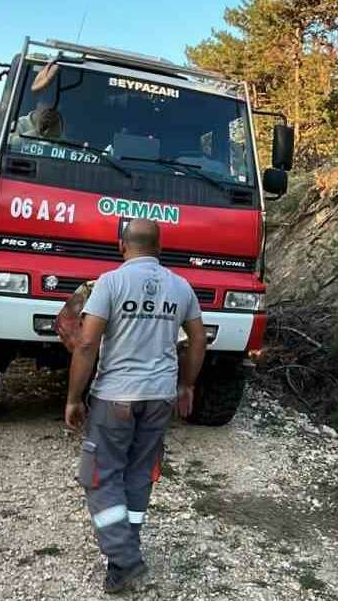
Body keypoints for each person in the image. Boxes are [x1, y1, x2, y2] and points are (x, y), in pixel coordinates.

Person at [64, 219, 206, 594]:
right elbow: (198, 339)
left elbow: (86, 344)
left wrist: (74, 398)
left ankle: (126, 559)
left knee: (99, 475)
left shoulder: (109, 283)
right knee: (139, 475)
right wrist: (187, 385)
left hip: (116, 396)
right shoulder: (180, 286)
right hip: (159, 397)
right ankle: (119, 563)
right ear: (159, 247)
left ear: (121, 245)